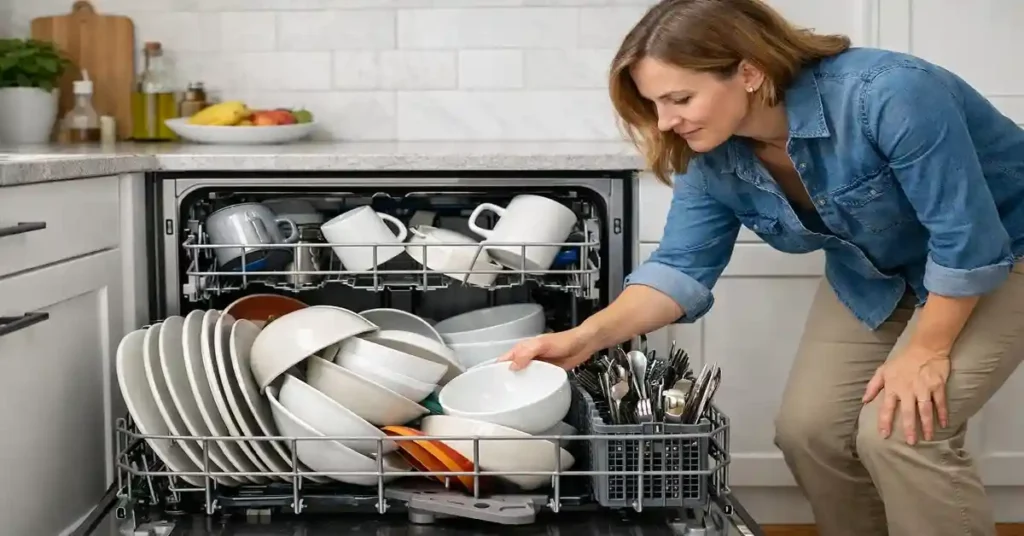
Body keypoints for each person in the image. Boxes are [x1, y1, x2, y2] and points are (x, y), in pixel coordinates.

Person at [497, 0, 1024, 535]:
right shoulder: (714, 156)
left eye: (680, 98)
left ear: (749, 72)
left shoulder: (888, 93)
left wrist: (927, 350)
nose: (665, 121)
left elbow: (966, 239)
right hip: (878, 273)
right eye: (655, 103)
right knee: (810, 432)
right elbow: (679, 269)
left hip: (1001, 251)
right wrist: (585, 337)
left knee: (902, 431)